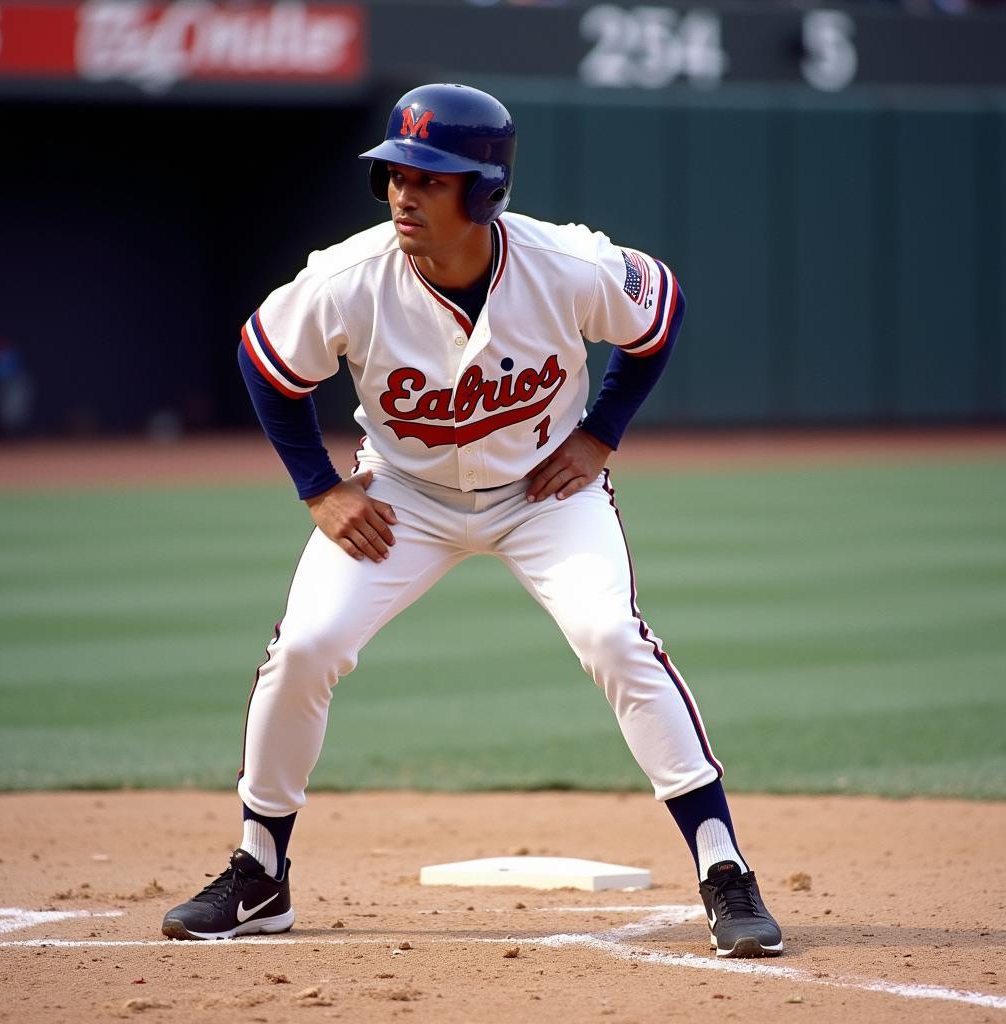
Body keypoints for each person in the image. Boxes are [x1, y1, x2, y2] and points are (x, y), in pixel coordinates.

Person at [161, 83, 783, 959]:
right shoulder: (349, 278)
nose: (404, 193)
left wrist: (602, 433)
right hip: (402, 499)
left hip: (544, 495)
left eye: (430, 176)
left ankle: (724, 871)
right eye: (394, 174)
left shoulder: (567, 265)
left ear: (486, 191)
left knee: (613, 636)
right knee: (304, 648)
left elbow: (658, 314)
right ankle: (260, 872)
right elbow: (266, 362)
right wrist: (320, 488)